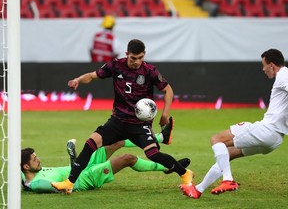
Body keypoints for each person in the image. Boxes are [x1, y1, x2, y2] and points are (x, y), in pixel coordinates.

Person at [52, 39, 194, 195]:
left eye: (140, 57)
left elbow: (169, 91)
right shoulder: (115, 65)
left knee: (153, 154)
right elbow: (92, 76)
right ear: (127, 54)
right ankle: (69, 183)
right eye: (133, 58)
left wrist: (165, 114)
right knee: (91, 143)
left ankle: (185, 173)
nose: (137, 62)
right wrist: (78, 80)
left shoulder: (150, 71)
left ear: (144, 55)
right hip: (117, 121)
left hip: (139, 124)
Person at [179, 49, 288, 199]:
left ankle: (228, 180)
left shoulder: (283, 74)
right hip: (275, 140)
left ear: (271, 65)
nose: (263, 69)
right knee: (226, 155)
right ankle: (198, 189)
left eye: (263, 65)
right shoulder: (282, 77)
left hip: (266, 130)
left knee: (216, 140)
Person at [22, 137, 191, 193]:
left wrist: (74, 163)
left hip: (81, 168)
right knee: (127, 158)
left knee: (114, 141)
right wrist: (73, 164)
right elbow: (59, 187)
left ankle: (160, 138)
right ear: (26, 167)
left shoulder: (25, 173)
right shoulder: (37, 183)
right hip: (86, 178)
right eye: (35, 159)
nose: (39, 160)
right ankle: (169, 167)